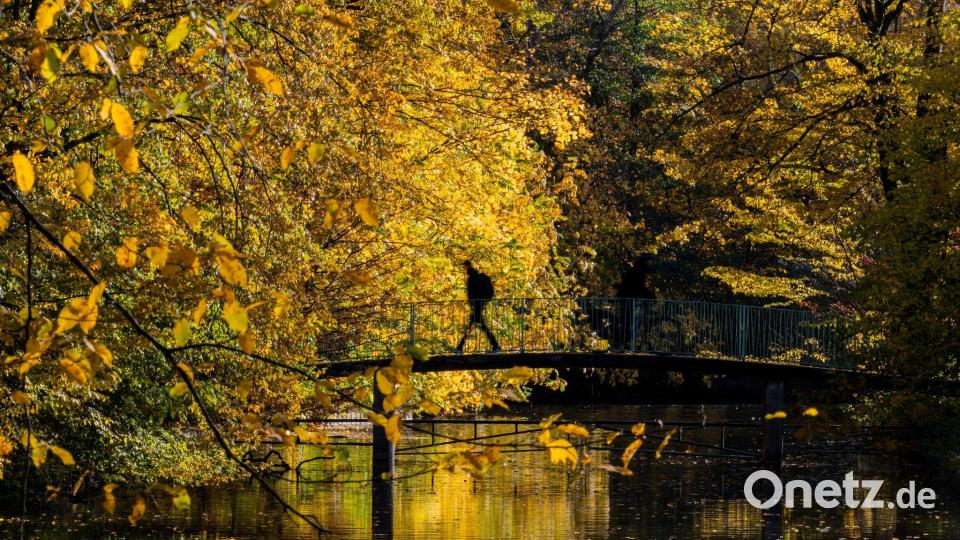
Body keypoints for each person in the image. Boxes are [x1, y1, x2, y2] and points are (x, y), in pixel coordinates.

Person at [456, 261, 500, 353]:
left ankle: (496, 346)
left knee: (478, 324)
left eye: (465, 267)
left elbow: (471, 293)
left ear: (468, 267)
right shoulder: (478, 277)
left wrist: (472, 304)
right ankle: (459, 347)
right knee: (477, 324)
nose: (464, 270)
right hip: (480, 303)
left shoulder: (472, 278)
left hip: (477, 304)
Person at [613, 253, 656, 350]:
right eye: (650, 261)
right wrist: (650, 295)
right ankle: (623, 343)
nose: (651, 263)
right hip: (628, 298)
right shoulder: (638, 271)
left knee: (628, 320)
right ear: (645, 261)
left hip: (628, 297)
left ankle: (625, 343)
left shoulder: (638, 270)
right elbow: (639, 287)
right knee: (628, 321)